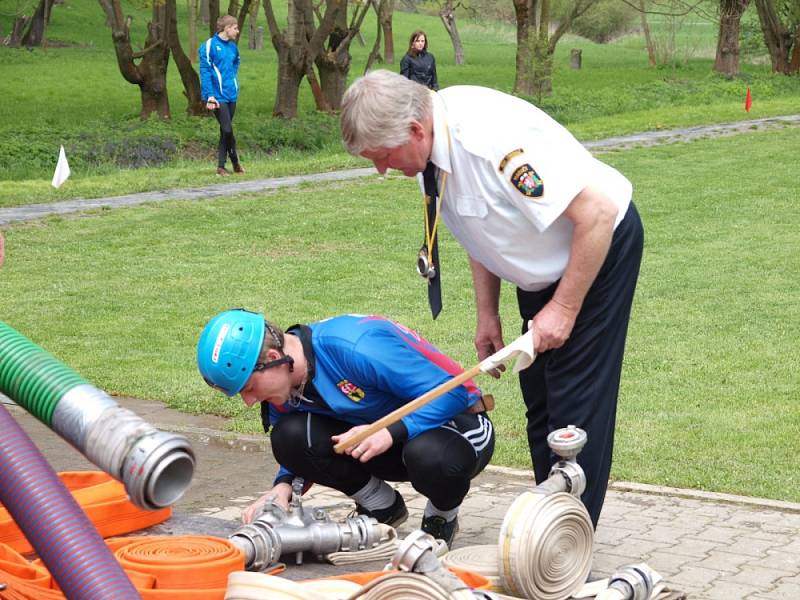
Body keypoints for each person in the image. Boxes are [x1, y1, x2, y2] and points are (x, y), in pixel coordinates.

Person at [339, 70, 644, 529]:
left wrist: (563, 308)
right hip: (541, 269)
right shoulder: (432, 152)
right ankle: (551, 524)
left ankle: (564, 540)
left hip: (595, 252)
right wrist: (487, 314)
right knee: (539, 399)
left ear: (415, 131)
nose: (382, 169)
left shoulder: (489, 142)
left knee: (574, 407)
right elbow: (478, 228)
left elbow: (597, 214)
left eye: (382, 157)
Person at [197, 309, 495, 548]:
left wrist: (389, 431)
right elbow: (299, 446)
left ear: (273, 360)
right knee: (288, 436)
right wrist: (283, 487)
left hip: (459, 425)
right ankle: (383, 508)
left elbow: (453, 393)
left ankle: (441, 516)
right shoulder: (285, 381)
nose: (249, 401)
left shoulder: (354, 345)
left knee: (428, 456)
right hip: (382, 440)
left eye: (248, 388)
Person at [199, 15, 244, 177]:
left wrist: (232, 81)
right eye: (235, 28)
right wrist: (209, 95)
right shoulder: (209, 45)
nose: (237, 31)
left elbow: (236, 63)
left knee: (225, 130)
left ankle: (231, 165)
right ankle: (226, 165)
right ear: (226, 28)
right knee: (227, 128)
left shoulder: (233, 48)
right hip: (217, 96)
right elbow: (205, 72)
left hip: (231, 94)